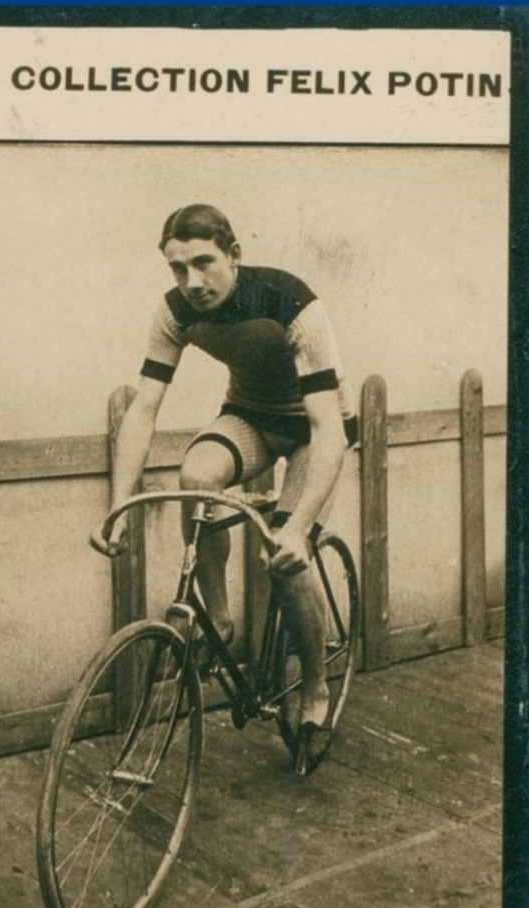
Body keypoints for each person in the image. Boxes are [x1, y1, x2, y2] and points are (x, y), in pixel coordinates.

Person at [105, 204, 358, 774]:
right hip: (249, 414)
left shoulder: (291, 301)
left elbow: (328, 430)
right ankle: (217, 620)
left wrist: (295, 529)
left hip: (314, 429)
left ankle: (315, 689)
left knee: (287, 562)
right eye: (177, 268)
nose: (191, 282)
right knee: (195, 476)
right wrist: (119, 505)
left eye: (203, 263)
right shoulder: (174, 313)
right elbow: (143, 409)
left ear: (234, 257)